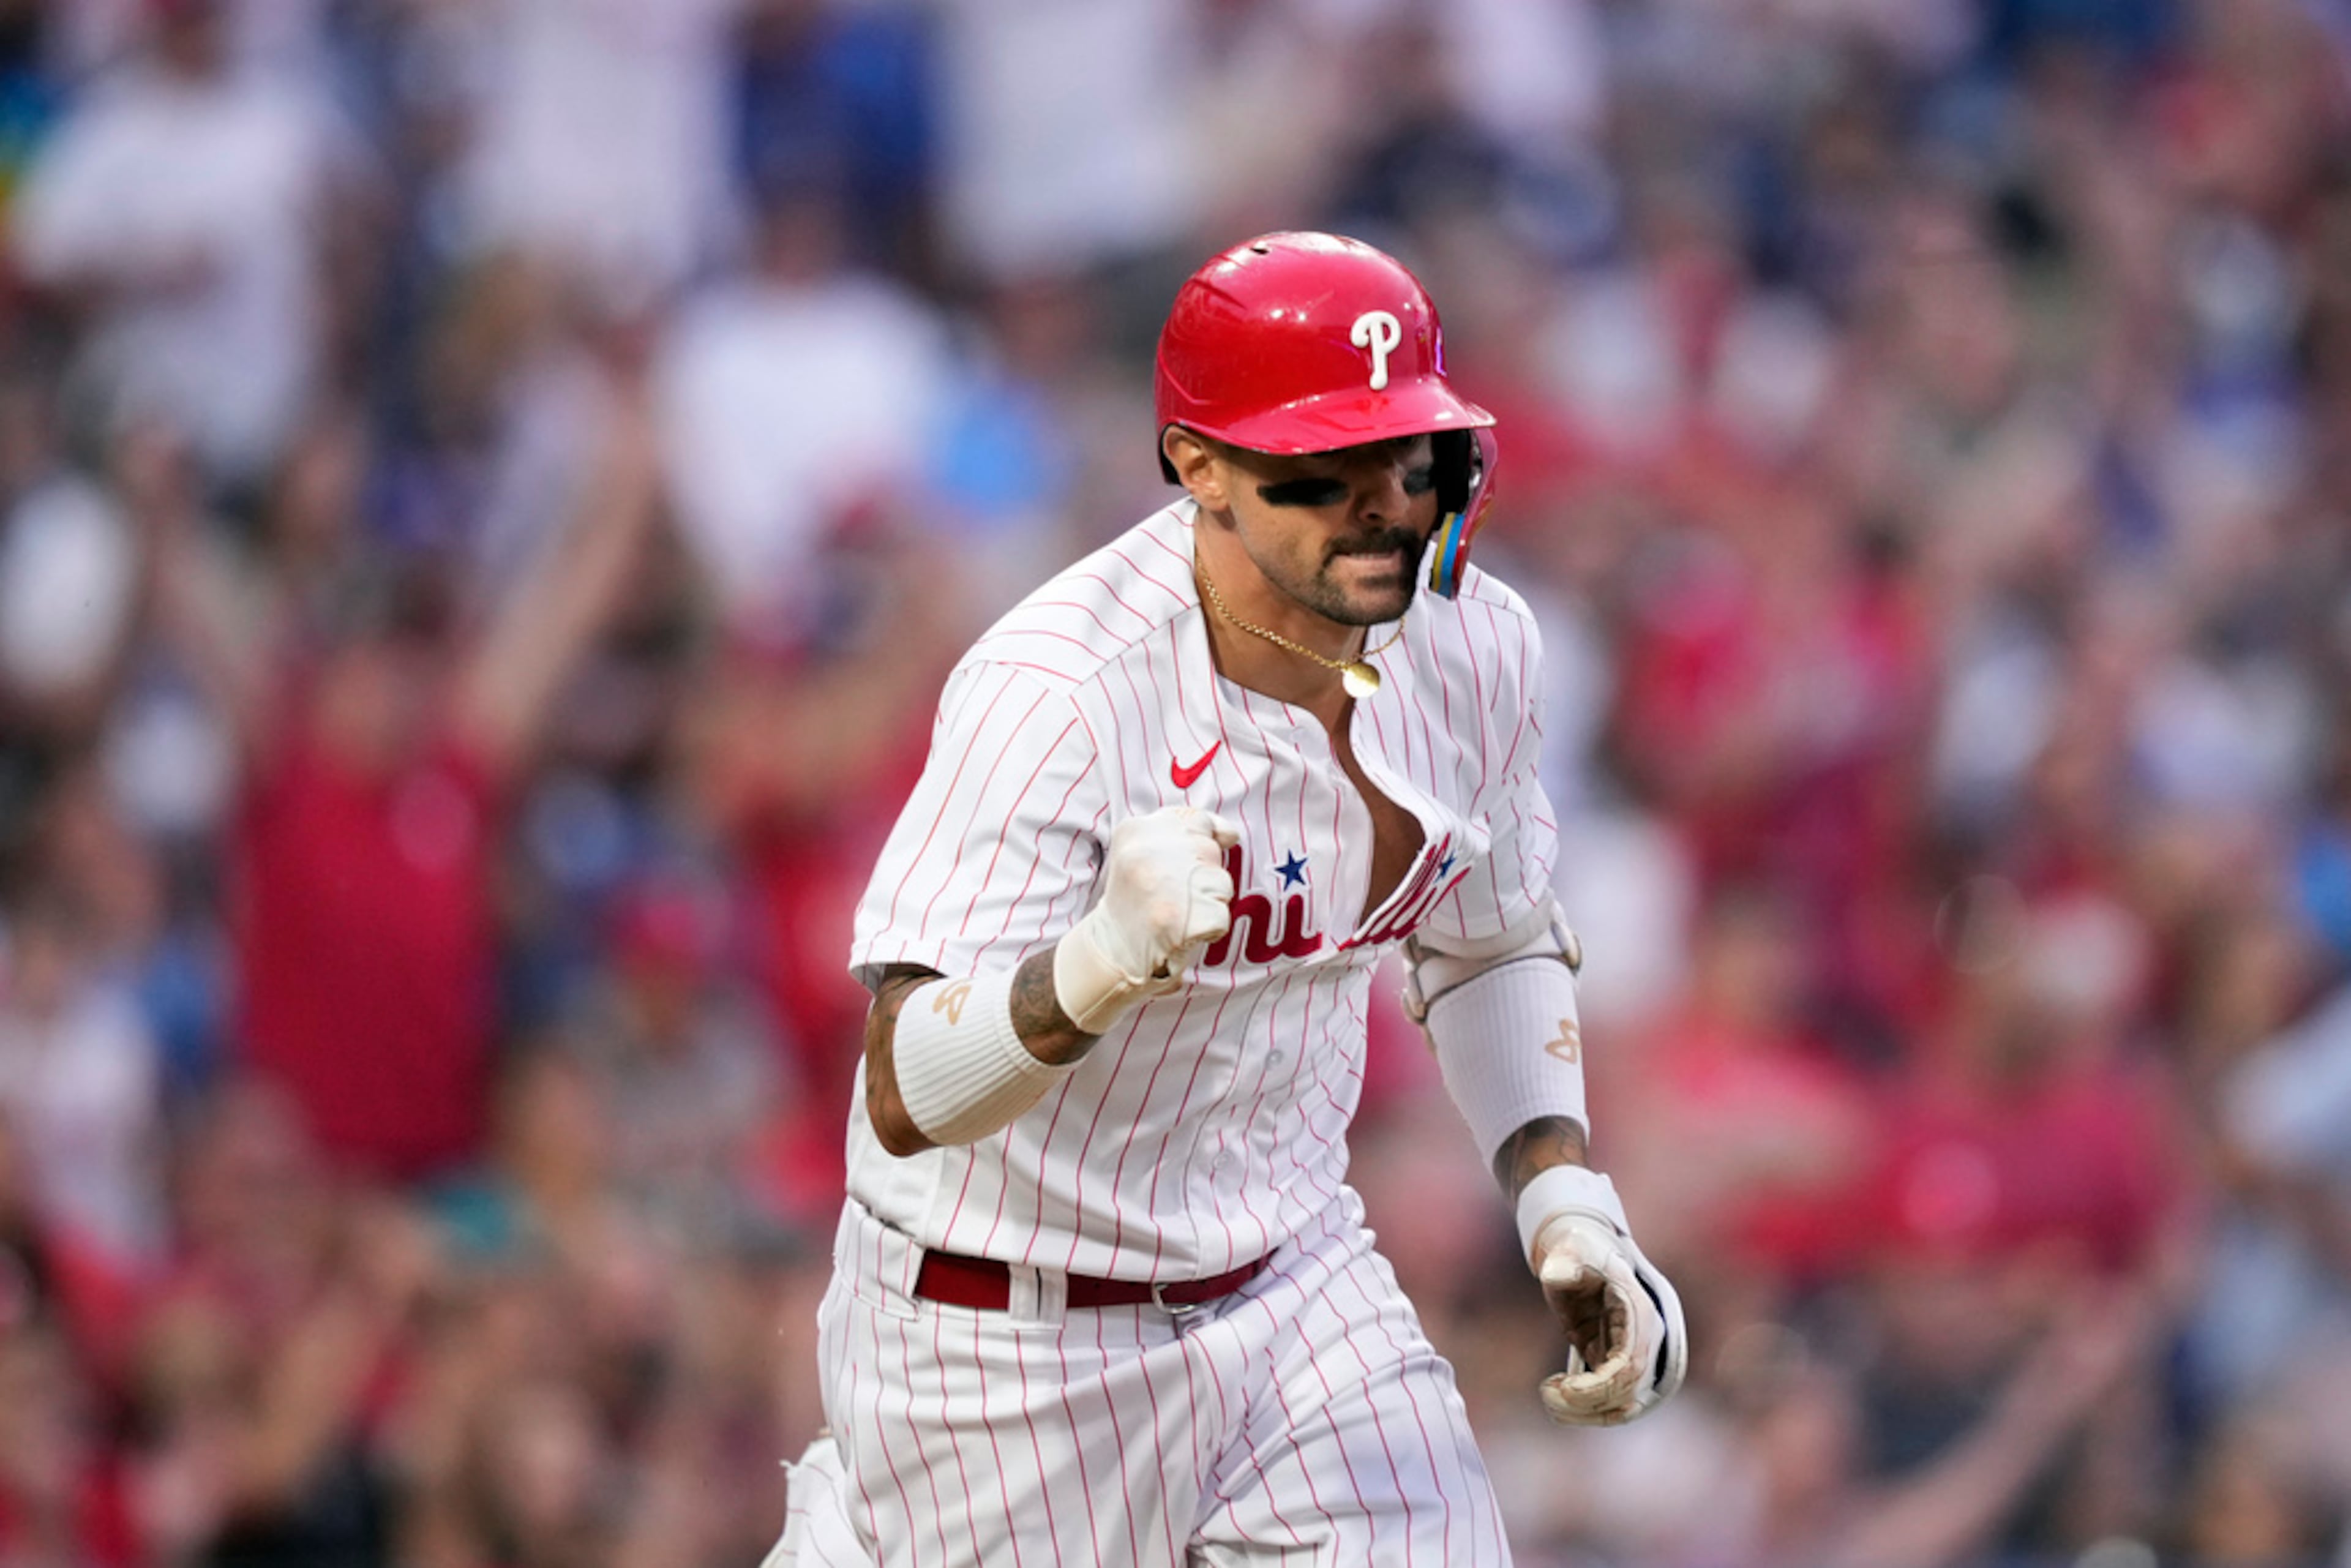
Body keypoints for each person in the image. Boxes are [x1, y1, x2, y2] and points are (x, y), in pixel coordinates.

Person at [769, 231, 1687, 1566]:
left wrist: (1564, 1199)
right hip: (1012, 1340)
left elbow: (1487, 939)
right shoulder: (1060, 690)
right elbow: (907, 1087)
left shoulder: (1480, 645)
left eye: (1410, 452)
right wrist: (1089, 970)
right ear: (1199, 466)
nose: (1382, 503)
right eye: (1323, 466)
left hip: (1296, 1282)